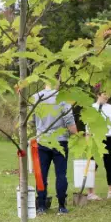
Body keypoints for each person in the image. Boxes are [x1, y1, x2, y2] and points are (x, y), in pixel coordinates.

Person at [32, 81, 78, 214]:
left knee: (41, 175)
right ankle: (62, 207)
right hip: (60, 141)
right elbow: (70, 122)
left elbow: (30, 120)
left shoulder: (35, 97)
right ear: (57, 81)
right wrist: (78, 135)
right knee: (61, 174)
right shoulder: (63, 98)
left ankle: (41, 206)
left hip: (42, 141)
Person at [87, 91, 111, 200]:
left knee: (109, 165)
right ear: (98, 95)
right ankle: (91, 193)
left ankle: (110, 191)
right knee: (92, 166)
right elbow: (88, 126)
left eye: (108, 95)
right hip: (95, 139)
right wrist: (88, 142)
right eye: (104, 94)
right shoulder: (92, 108)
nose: (107, 96)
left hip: (109, 139)